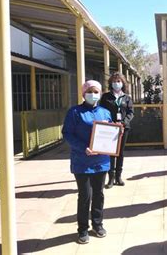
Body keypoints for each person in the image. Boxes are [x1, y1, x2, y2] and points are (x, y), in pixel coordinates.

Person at [62, 80, 112, 244]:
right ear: (83, 94)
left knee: (99, 194)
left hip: (101, 161)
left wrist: (116, 132)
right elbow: (68, 134)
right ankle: (82, 229)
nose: (93, 94)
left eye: (96, 91)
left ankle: (97, 224)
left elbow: (112, 132)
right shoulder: (74, 112)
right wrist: (83, 148)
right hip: (82, 161)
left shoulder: (105, 112)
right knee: (85, 195)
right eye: (90, 91)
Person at [100, 72, 134, 188]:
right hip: (110, 128)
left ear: (123, 83)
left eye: (118, 81)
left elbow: (130, 113)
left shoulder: (127, 98)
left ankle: (119, 177)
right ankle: (111, 178)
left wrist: (123, 123)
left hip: (124, 129)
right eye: (114, 81)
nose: (116, 83)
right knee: (111, 153)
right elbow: (102, 112)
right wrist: (111, 123)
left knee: (120, 152)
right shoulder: (105, 97)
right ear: (110, 83)